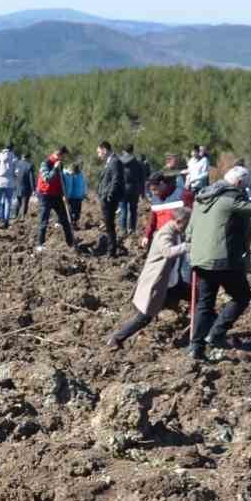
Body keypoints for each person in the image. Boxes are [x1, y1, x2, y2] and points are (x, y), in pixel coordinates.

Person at [185, 166, 251, 362]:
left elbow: (190, 230)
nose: (245, 191)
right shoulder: (231, 199)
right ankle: (216, 334)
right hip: (222, 260)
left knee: (204, 305)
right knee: (242, 296)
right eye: (245, 187)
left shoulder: (202, 198)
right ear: (238, 183)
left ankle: (196, 348)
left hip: (199, 259)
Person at [107, 197, 194, 349]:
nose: (188, 227)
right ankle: (116, 338)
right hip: (158, 283)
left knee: (197, 296)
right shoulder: (165, 233)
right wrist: (187, 246)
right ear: (179, 222)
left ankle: (198, 329)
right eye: (187, 224)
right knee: (144, 317)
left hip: (172, 282)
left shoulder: (177, 232)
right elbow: (168, 252)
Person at [34, 146, 76, 252]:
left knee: (64, 219)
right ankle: (40, 244)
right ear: (59, 154)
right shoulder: (45, 163)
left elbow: (60, 181)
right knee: (44, 220)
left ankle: (71, 243)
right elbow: (47, 179)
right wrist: (55, 168)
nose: (63, 159)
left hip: (56, 195)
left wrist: (64, 195)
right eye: (63, 156)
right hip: (45, 195)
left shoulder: (60, 164)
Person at [96, 140, 126, 257]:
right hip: (106, 197)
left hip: (109, 199)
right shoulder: (110, 161)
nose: (99, 155)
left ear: (105, 150)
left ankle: (111, 251)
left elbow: (116, 180)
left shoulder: (114, 161)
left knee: (109, 225)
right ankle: (111, 249)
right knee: (108, 225)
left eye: (99, 152)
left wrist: (109, 195)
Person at [118, 143, 145, 238]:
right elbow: (142, 178)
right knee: (133, 210)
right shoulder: (138, 163)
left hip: (122, 189)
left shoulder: (119, 162)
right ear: (132, 151)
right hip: (134, 189)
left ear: (123, 151)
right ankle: (132, 229)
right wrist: (142, 192)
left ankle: (122, 229)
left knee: (123, 209)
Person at [0, 143, 18, 228]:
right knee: (8, 201)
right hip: (9, 183)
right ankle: (6, 220)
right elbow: (17, 172)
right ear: (12, 148)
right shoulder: (14, 157)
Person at [63, 157, 87, 232]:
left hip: (79, 196)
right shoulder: (71, 173)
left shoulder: (81, 174)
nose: (81, 166)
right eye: (80, 164)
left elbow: (84, 184)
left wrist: (84, 193)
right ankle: (71, 224)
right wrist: (67, 195)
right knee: (72, 211)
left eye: (82, 164)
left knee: (77, 211)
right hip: (72, 196)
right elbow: (70, 185)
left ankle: (75, 223)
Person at [14, 153, 35, 221]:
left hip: (17, 186)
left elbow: (14, 175)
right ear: (28, 158)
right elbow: (31, 178)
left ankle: (15, 215)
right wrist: (33, 189)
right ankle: (22, 216)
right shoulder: (29, 165)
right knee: (25, 202)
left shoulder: (16, 164)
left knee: (18, 202)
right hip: (26, 187)